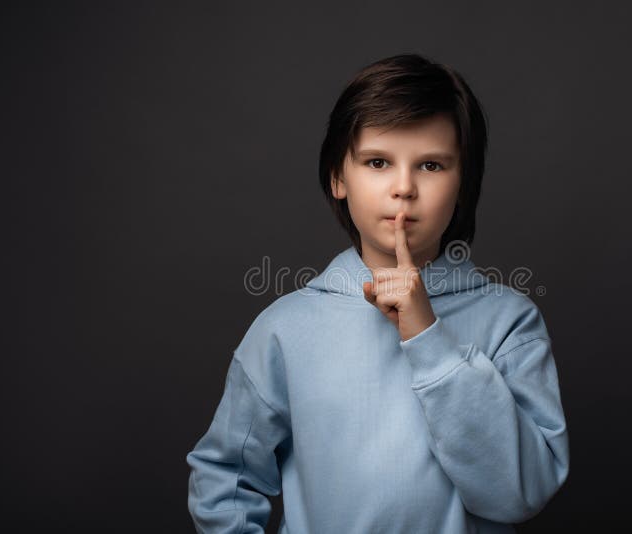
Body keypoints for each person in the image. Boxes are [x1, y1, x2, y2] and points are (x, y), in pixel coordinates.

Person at [186, 53, 570, 534]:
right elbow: (226, 474)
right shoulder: (285, 329)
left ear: (463, 185)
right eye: (378, 162)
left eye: (431, 165)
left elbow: (520, 493)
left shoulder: (510, 323)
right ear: (338, 177)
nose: (404, 187)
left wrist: (427, 335)